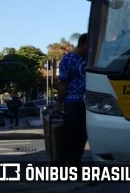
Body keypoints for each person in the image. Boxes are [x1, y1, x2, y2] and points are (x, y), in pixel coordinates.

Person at [52, 33, 88, 166]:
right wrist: (59, 104)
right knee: (69, 133)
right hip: (73, 102)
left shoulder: (90, 59)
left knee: (82, 134)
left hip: (88, 102)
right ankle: (60, 162)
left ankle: (75, 161)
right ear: (84, 44)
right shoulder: (69, 59)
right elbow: (63, 84)